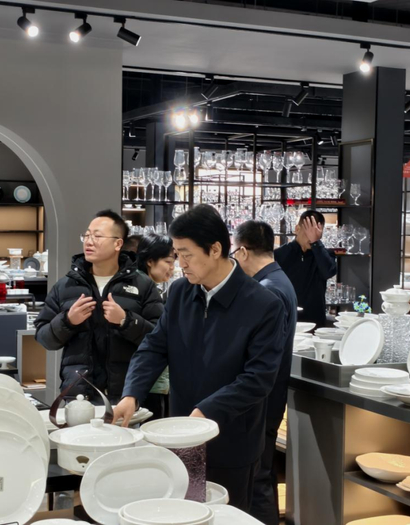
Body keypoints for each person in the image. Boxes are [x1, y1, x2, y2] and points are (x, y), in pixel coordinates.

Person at [113, 204, 285, 512]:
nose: (180, 264)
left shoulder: (264, 304)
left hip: (233, 441)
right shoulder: (180, 292)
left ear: (215, 249)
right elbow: (154, 347)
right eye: (176, 254)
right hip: (181, 437)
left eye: (187, 254)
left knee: (226, 516)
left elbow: (258, 379)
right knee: (182, 513)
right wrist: (131, 394)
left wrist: (207, 411)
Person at [34, 210, 163, 401]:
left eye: (97, 236)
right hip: (78, 395)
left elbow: (159, 338)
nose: (89, 241)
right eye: (86, 235)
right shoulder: (66, 286)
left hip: (128, 394)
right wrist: (67, 321)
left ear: (118, 243)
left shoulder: (142, 285)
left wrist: (126, 321)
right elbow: (44, 338)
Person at [233, 220, 297, 525]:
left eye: (234, 253)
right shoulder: (278, 280)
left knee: (257, 479)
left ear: (243, 252)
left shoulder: (268, 288)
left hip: (262, 400)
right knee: (262, 475)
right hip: (269, 396)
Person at [135, 233, 176, 419]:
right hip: (147, 380)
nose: (172, 268)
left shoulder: (147, 286)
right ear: (150, 261)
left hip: (151, 379)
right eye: (168, 262)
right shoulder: (141, 287)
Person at [274, 210, 337, 327]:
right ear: (297, 229)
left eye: (316, 232)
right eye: (308, 231)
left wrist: (316, 243)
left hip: (315, 321)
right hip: (286, 319)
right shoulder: (279, 254)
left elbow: (328, 272)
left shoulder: (325, 255)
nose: (311, 237)